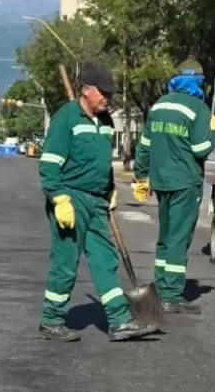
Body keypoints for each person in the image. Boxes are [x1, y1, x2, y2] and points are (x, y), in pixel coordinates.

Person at [39, 63, 160, 343]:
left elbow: (102, 163)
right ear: (86, 91)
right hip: (71, 197)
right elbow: (49, 166)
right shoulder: (66, 119)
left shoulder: (105, 122)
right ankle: (51, 320)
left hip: (97, 201)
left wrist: (110, 190)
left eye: (110, 92)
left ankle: (119, 320)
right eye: (103, 92)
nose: (108, 97)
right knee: (66, 263)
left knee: (106, 260)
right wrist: (59, 199)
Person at [132, 59, 215, 314]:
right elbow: (200, 149)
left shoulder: (159, 105)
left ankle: (160, 287)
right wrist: (212, 132)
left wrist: (141, 175)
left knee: (166, 236)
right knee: (179, 239)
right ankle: (171, 294)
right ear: (199, 83)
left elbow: (144, 144)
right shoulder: (198, 109)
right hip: (185, 182)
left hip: (161, 182)